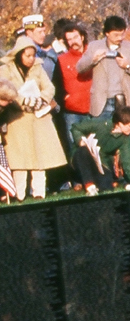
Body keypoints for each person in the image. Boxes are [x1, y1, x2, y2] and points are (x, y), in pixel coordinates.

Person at [0, 36, 64, 199]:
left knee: (39, 157)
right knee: (20, 160)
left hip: (38, 119)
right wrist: (23, 101)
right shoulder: (6, 68)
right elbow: (4, 89)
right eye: (27, 55)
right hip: (18, 119)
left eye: (32, 55)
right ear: (19, 54)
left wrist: (41, 99)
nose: (30, 59)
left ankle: (39, 193)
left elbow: (49, 87)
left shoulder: (38, 67)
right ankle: (19, 194)